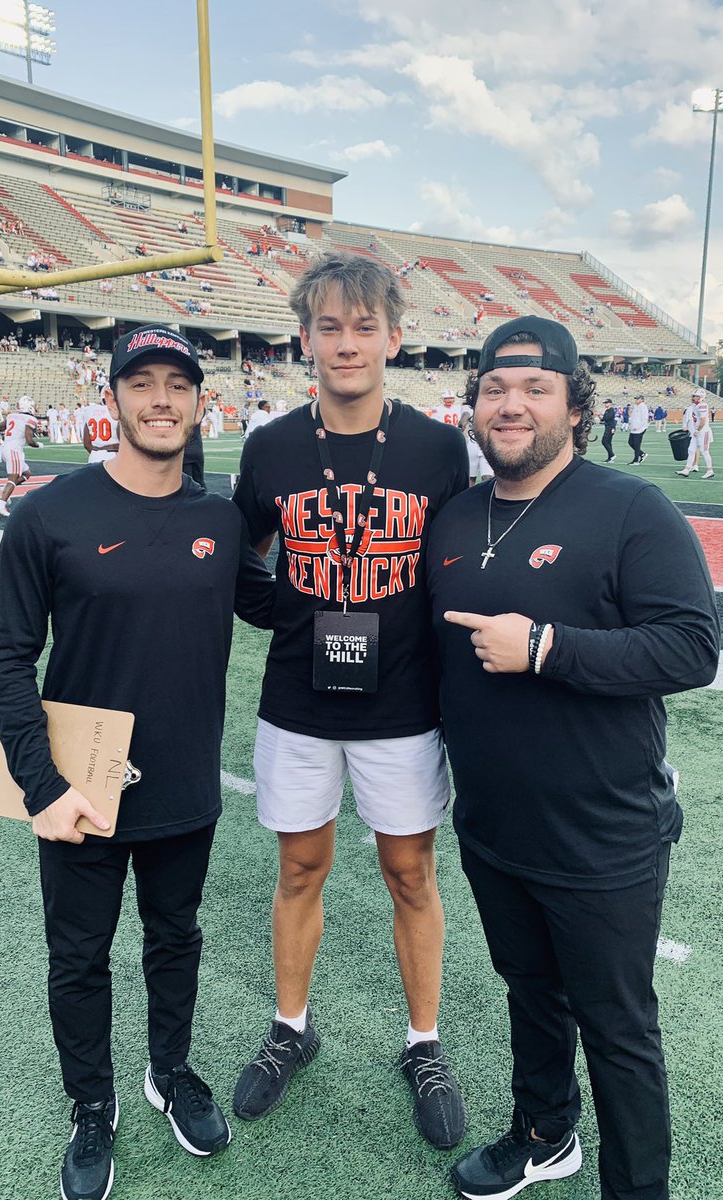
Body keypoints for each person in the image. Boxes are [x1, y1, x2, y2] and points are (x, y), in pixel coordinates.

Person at [426, 316, 719, 1200]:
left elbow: (691, 649)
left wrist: (548, 646)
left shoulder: (631, 508)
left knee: (619, 1031)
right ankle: (546, 1133)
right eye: (494, 390)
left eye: (535, 389)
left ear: (575, 407)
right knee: (528, 992)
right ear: (474, 407)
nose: (511, 406)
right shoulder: (454, 516)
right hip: (492, 822)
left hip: (603, 832)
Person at [0, 324, 274, 1200]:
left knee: (175, 937)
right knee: (78, 955)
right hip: (79, 781)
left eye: (176, 385)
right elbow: (5, 657)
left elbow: (285, 611)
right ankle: (91, 1105)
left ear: (197, 403)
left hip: (184, 777)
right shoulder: (49, 514)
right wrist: (43, 784)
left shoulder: (219, 523)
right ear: (111, 399)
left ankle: (169, 1071)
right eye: (141, 383)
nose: (160, 399)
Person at [231, 252, 469, 1148]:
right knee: (300, 867)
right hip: (299, 699)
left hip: (404, 702)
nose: (346, 343)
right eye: (328, 326)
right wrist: (286, 612)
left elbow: (457, 567)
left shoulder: (438, 449)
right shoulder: (271, 447)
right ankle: (293, 1027)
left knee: (410, 871)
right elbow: (244, 554)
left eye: (364, 326)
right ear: (304, 339)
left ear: (394, 338)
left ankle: (423, 1040)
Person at [0, 396, 42, 517]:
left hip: (5, 448)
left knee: (26, 474)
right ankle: (1, 505)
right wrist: (38, 445)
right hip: (14, 450)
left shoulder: (11, 416)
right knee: (13, 479)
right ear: (29, 406)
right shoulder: (30, 419)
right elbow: (29, 440)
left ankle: (5, 488)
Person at [676, 389, 714, 480]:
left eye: (696, 396)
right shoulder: (694, 406)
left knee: (704, 451)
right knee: (691, 450)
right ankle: (687, 469)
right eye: (694, 396)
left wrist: (698, 430)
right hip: (696, 432)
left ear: (701, 397)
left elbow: (703, 420)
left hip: (703, 431)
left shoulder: (702, 405)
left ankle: (710, 470)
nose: (694, 398)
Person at [81, 387, 120, 463]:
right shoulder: (118, 411)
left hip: (94, 455)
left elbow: (86, 443)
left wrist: (96, 453)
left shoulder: (90, 411)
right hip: (113, 453)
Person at [626, 394, 649, 464]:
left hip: (639, 429)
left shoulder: (643, 407)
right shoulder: (636, 406)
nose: (635, 400)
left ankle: (636, 460)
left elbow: (644, 419)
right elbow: (634, 417)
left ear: (641, 400)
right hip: (633, 428)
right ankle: (642, 454)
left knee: (636, 444)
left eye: (637, 399)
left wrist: (638, 427)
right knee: (630, 442)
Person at [600, 398, 617, 462]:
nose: (605, 404)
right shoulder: (607, 410)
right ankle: (610, 457)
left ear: (610, 403)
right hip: (607, 427)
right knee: (608, 442)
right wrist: (599, 415)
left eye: (606, 403)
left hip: (610, 427)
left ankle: (612, 455)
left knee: (604, 441)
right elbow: (603, 419)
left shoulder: (611, 410)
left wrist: (613, 428)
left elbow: (607, 418)